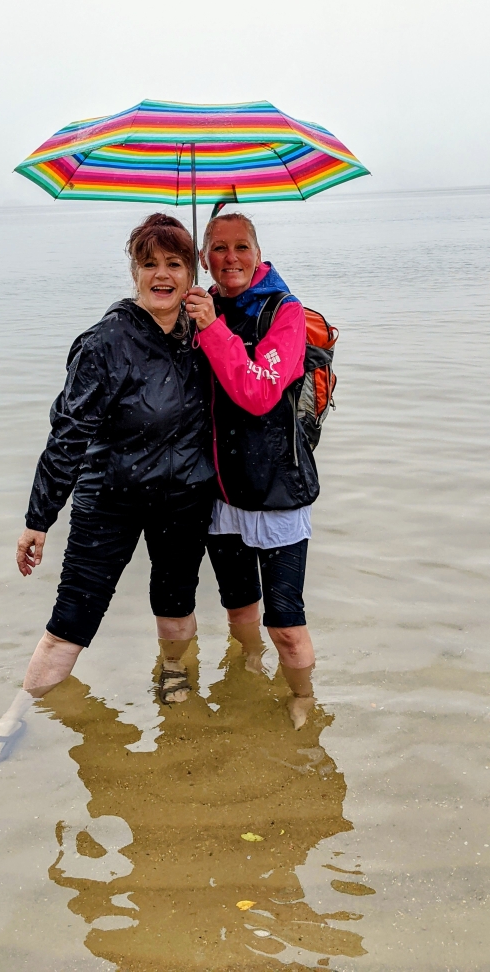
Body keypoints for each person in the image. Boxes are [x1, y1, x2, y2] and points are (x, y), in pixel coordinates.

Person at [0, 214, 215, 773]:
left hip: (184, 497)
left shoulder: (203, 334)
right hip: (110, 498)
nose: (162, 275)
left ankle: (175, 671)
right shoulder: (105, 342)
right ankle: (14, 713)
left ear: (191, 272)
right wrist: (39, 518)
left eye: (175, 264)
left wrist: (213, 330)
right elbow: (68, 435)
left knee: (176, 602)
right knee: (71, 618)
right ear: (134, 271)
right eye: (149, 264)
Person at [184, 212, 320, 729]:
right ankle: (249, 667)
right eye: (218, 248)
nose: (231, 257)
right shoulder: (202, 306)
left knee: (285, 622)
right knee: (239, 610)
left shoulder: (285, 311)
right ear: (204, 258)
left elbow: (259, 392)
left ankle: (304, 696)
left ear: (258, 254)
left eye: (241, 246)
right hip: (220, 493)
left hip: (277, 490)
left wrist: (211, 328)